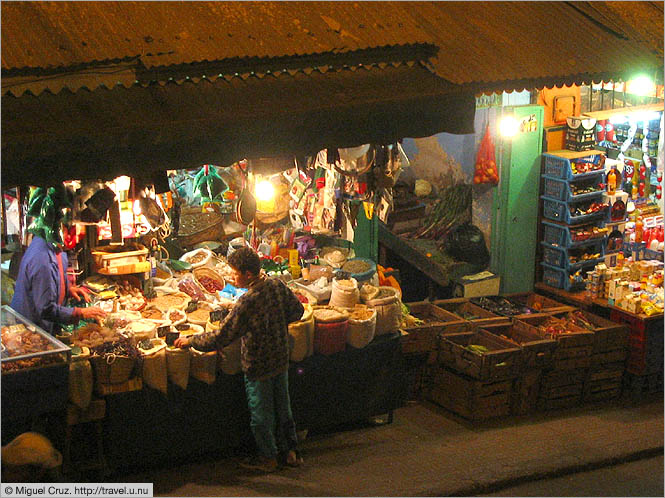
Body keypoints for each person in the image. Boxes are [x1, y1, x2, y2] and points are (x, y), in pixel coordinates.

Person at [175, 246, 304, 472]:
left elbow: (222, 336)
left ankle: (268, 458)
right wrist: (275, 324)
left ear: (248, 274)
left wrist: (192, 341)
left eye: (235, 273)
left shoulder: (247, 302)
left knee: (261, 415)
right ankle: (291, 452)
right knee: (284, 407)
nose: (232, 277)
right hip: (281, 358)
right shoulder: (277, 285)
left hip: (258, 364)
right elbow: (297, 311)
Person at [11, 185, 106, 334]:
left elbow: (51, 282)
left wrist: (67, 289)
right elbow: (45, 308)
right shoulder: (42, 258)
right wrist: (79, 313)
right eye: (68, 225)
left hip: (45, 326)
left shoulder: (56, 249)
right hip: (32, 332)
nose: (72, 230)